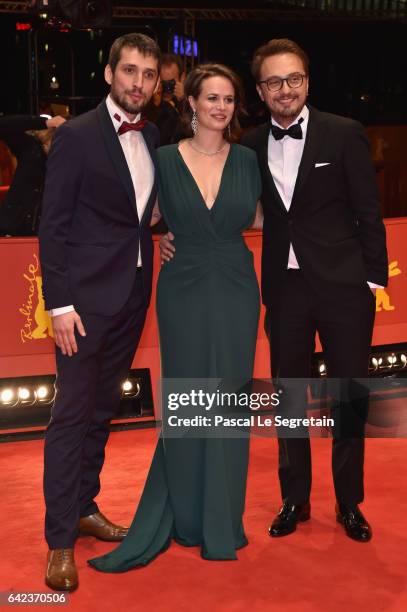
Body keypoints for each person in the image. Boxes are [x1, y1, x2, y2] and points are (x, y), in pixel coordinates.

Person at [161, 39, 388, 543]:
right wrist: (176, 233)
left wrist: (373, 281)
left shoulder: (345, 133)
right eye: (274, 82)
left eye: (295, 80)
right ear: (260, 91)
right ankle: (295, 498)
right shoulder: (248, 148)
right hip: (284, 288)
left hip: (346, 287)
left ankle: (350, 502)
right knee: (289, 395)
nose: (285, 90)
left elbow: (368, 211)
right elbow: (219, 198)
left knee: (349, 396)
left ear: (307, 81)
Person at [88, 63, 262, 573]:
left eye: (228, 100)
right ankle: (186, 514)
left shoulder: (249, 158)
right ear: (191, 103)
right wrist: (156, 239)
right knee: (189, 396)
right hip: (182, 286)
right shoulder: (162, 157)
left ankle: (221, 519)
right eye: (211, 98)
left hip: (235, 284)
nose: (219, 107)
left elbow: (260, 217)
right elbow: (142, 213)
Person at [39, 33, 161, 591]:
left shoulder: (154, 133)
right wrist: (59, 304)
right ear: (110, 73)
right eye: (130, 71)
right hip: (82, 307)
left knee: (101, 412)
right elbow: (54, 226)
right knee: (70, 417)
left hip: (133, 297)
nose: (139, 83)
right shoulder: (79, 136)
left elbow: (134, 215)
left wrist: (163, 233)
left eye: (149, 74)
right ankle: (60, 540)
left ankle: (85, 506)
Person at [0, 114, 65, 235]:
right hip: (10, 228)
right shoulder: (30, 148)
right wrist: (46, 122)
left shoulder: (70, 162)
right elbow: (3, 125)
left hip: (45, 233)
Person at [144, 53, 186, 146]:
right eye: (163, 83)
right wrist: (155, 106)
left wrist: (185, 102)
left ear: (182, 78)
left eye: (171, 83)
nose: (167, 89)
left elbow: (195, 132)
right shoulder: (147, 102)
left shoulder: (192, 104)